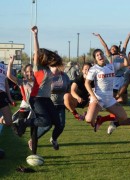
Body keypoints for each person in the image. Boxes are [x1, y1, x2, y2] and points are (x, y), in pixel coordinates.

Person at [12, 26, 63, 155]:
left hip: (46, 99)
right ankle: (22, 122)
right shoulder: (37, 67)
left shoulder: (48, 69)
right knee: (45, 121)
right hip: (36, 98)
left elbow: (57, 66)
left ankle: (54, 140)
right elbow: (36, 50)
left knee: (58, 123)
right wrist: (35, 35)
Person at [84, 47, 129, 132]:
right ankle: (94, 116)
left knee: (123, 117)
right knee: (89, 120)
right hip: (98, 97)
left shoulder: (112, 66)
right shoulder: (94, 69)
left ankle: (104, 119)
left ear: (104, 56)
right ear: (95, 58)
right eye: (97, 55)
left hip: (109, 98)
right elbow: (86, 83)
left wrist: (125, 57)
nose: (100, 56)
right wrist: (93, 97)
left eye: (101, 54)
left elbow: (126, 64)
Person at [29, 65, 70, 150]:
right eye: (54, 65)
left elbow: (68, 90)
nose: (57, 67)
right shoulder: (48, 75)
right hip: (48, 103)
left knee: (61, 125)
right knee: (47, 125)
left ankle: (54, 139)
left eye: (58, 64)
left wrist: (69, 103)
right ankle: (33, 139)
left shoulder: (65, 76)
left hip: (60, 104)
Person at [92, 32, 130, 104]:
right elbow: (105, 46)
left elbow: (125, 45)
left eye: (114, 48)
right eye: (112, 48)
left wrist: (128, 36)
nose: (113, 49)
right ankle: (109, 103)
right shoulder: (110, 56)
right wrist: (99, 36)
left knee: (124, 101)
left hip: (122, 77)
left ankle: (115, 101)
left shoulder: (121, 54)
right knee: (113, 98)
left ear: (117, 49)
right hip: (115, 77)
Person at [0, 61, 14, 126]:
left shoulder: (3, 66)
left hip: (2, 95)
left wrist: (10, 98)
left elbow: (6, 84)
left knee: (9, 122)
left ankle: (1, 119)